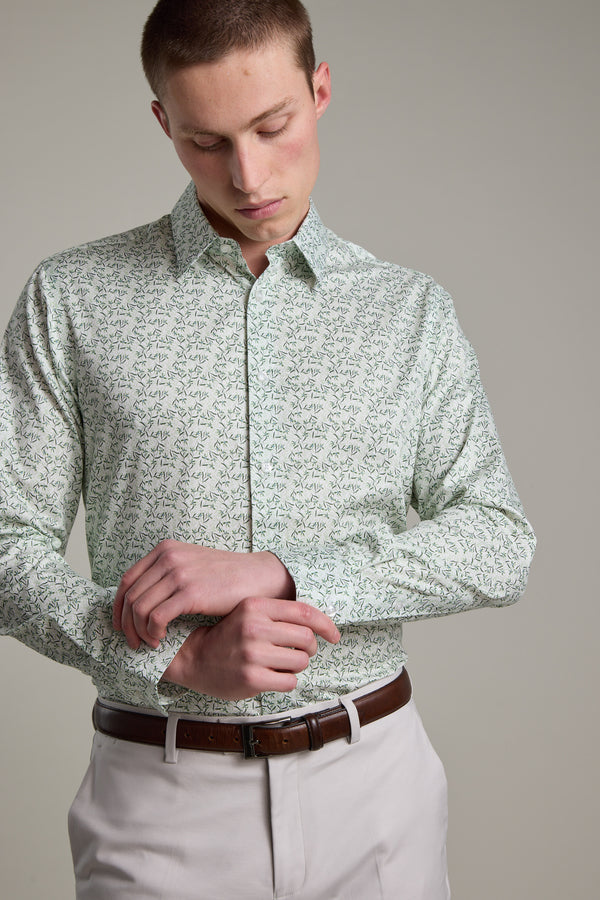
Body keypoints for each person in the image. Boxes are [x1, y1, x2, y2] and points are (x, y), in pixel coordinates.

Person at [0, 1, 535, 897]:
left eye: (272, 126)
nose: (248, 175)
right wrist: (166, 661)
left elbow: (497, 539)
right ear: (164, 122)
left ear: (319, 91)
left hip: (377, 795)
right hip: (159, 797)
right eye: (205, 142)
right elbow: (4, 538)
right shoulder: (72, 298)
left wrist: (283, 574)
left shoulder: (409, 312)